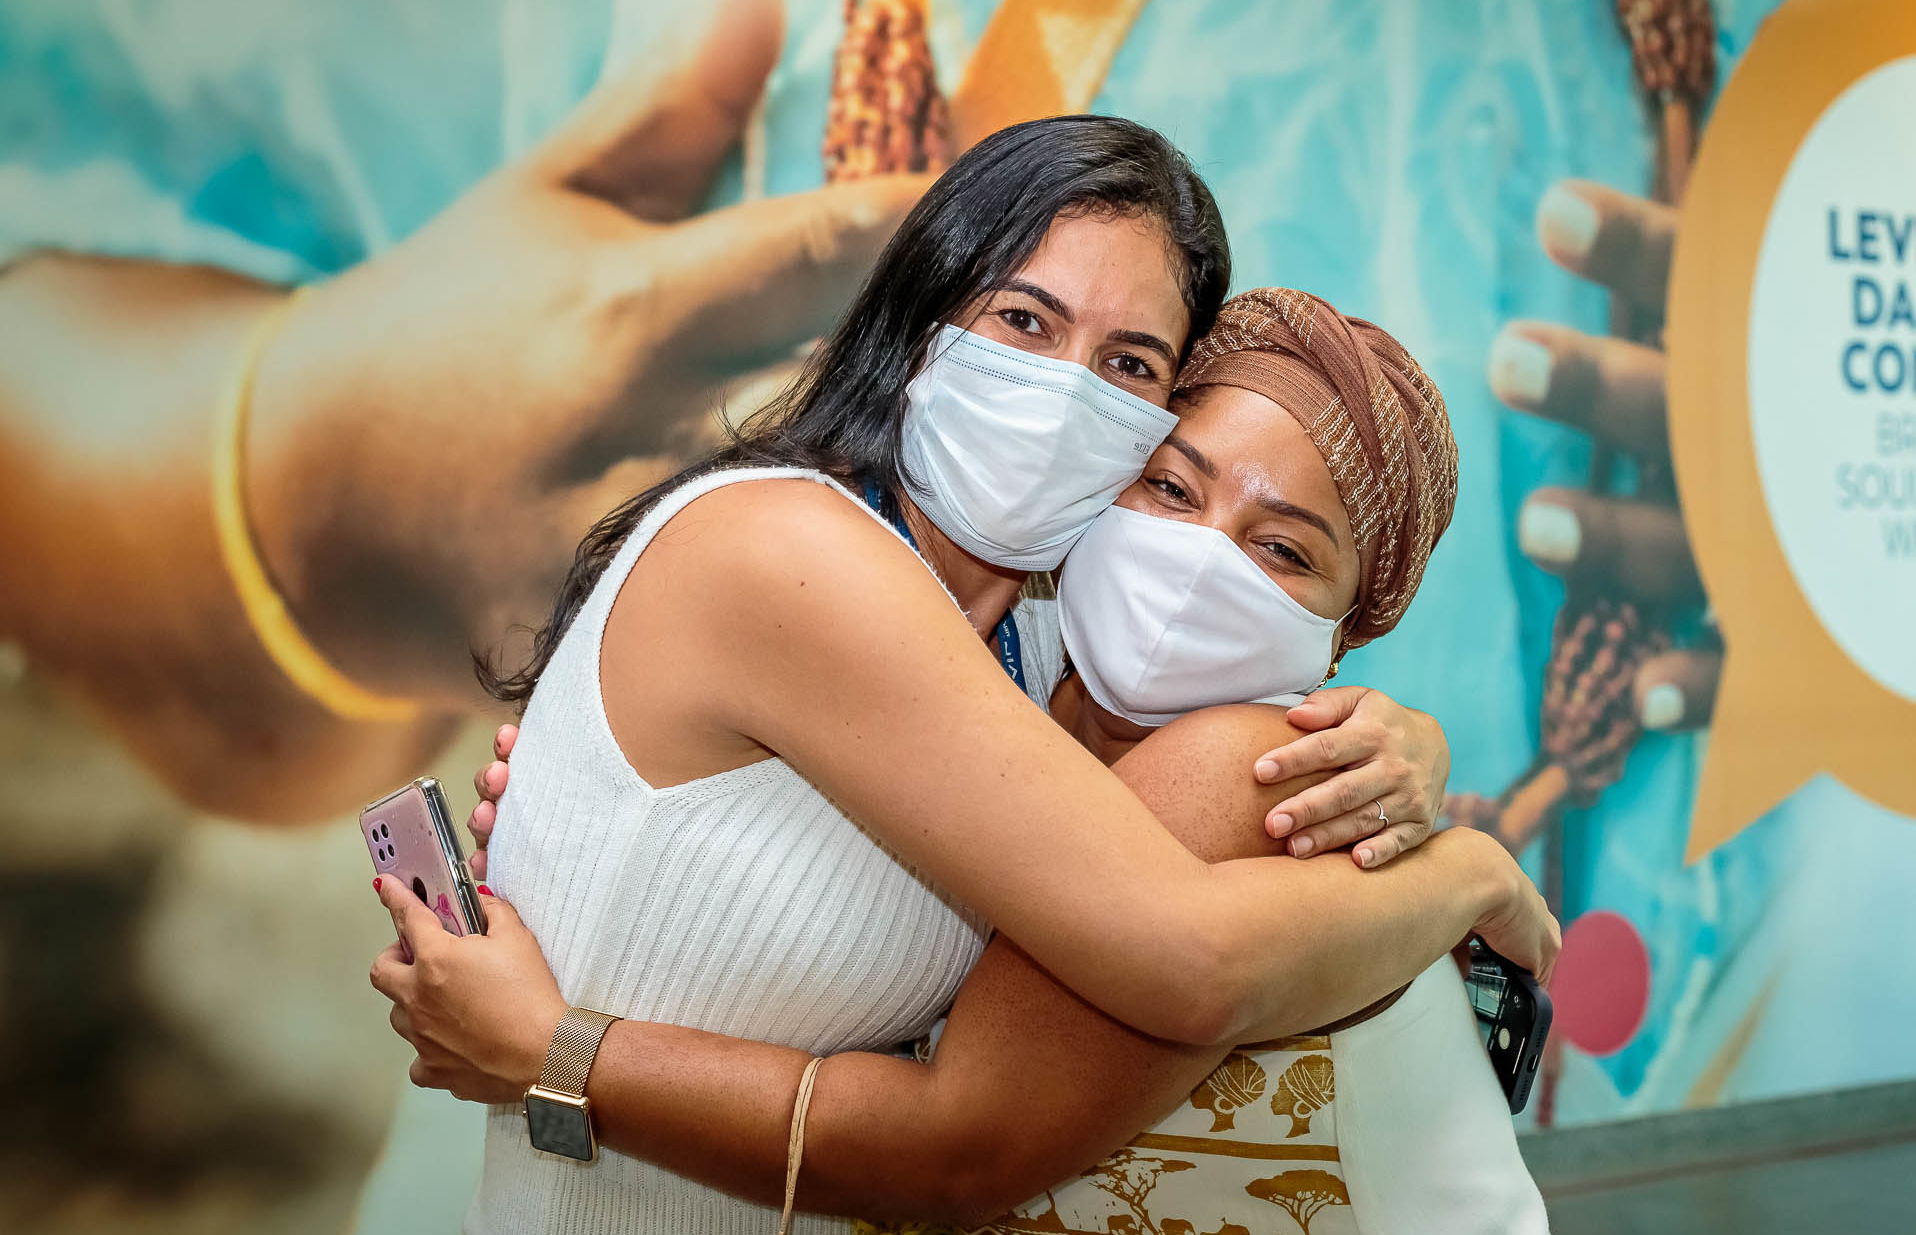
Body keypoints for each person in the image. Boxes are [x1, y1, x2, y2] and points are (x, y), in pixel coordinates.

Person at [369, 116, 1556, 1232]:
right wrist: (1469, 873)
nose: (1064, 390)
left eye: (1130, 360)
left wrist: (1406, 741)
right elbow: (1191, 961)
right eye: (1026, 321)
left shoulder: (1032, 646)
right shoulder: (793, 552)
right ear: (923, 312)